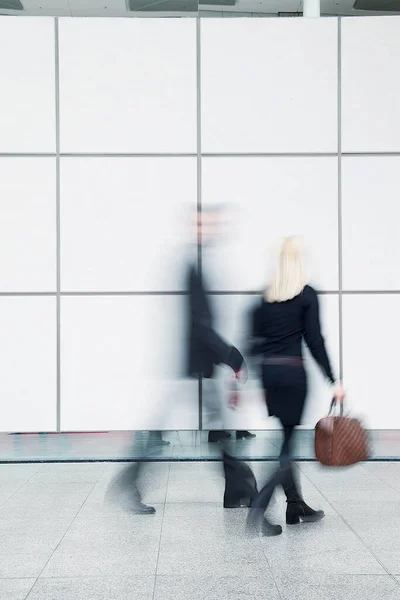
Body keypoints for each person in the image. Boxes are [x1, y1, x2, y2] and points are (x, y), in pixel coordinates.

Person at [246, 237, 345, 536]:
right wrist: (333, 379)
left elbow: (254, 343)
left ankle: (295, 504)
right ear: (300, 262)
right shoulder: (307, 295)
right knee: (288, 446)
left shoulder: (264, 297)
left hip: (270, 375)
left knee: (286, 437)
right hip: (292, 374)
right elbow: (315, 340)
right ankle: (259, 506)